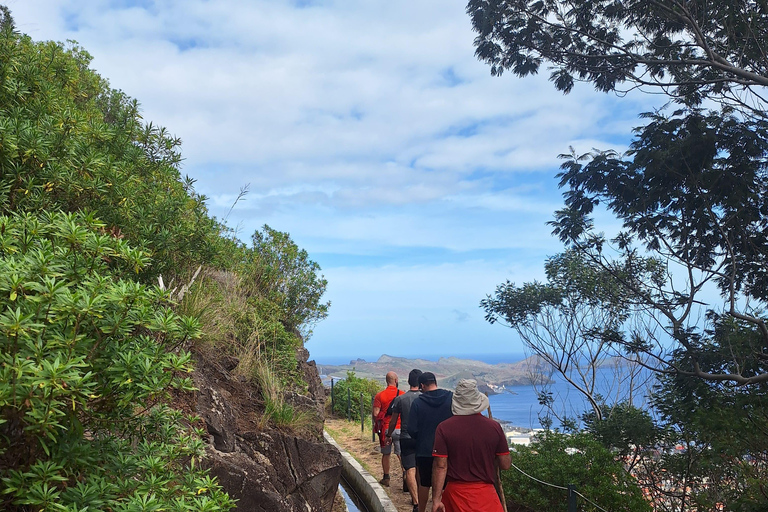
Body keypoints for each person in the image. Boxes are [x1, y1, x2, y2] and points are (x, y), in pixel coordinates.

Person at [431, 379, 511, 512]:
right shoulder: (494, 427)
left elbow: (440, 466)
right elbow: (505, 464)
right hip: (486, 496)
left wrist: (436, 499)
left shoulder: (444, 428)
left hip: (456, 496)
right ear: (478, 401)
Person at [407, 372, 453, 512]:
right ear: (435, 382)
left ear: (422, 386)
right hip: (446, 449)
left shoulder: (418, 403)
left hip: (425, 448)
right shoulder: (450, 398)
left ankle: (421, 510)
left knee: (424, 483)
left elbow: (412, 429)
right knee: (445, 483)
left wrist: (421, 437)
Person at [386, 369, 422, 512]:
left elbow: (393, 421)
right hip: (422, 438)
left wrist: (389, 435)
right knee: (420, 468)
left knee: (410, 470)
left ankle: (416, 502)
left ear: (408, 382)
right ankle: (422, 498)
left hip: (406, 437)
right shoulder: (425, 397)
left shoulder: (400, 399)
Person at [372, 371, 401, 487]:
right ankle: (406, 476)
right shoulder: (402, 394)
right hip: (399, 428)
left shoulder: (380, 396)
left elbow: (375, 413)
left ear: (386, 381)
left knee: (386, 453)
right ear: (396, 380)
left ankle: (386, 477)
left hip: (385, 428)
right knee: (401, 454)